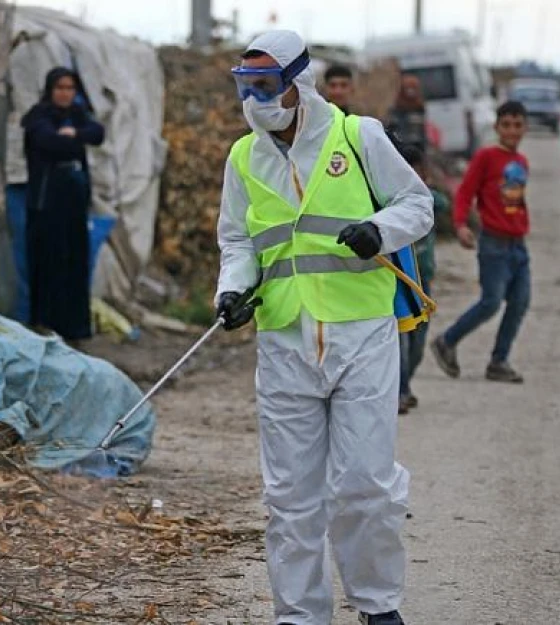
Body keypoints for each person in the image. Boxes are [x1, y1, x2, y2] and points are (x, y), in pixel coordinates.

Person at [216, 30, 433, 625]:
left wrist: (378, 232)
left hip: (361, 333)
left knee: (364, 484)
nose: (255, 98)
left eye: (265, 85)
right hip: (284, 339)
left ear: (298, 83)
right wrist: (232, 290)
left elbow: (417, 205)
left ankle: (377, 605)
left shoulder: (357, 136)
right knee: (289, 500)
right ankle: (300, 616)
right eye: (246, 85)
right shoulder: (244, 157)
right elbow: (237, 239)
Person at [431, 101, 530, 384]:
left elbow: (514, 200)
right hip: (494, 244)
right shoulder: (486, 157)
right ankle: (446, 341)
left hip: (517, 244)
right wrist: (460, 225)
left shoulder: (521, 162)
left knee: (520, 302)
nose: (512, 131)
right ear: (497, 127)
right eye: (506, 125)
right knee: (491, 301)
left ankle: (499, 361)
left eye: (518, 125)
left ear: (524, 128)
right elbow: (465, 192)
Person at [20, 67, 105, 342]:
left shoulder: (77, 116)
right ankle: (45, 325)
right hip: (46, 204)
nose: (65, 93)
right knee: (48, 264)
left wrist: (74, 134)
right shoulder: (38, 115)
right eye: (60, 88)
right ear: (50, 89)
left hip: (74, 203)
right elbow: (49, 142)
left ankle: (74, 330)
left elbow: (97, 132)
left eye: (70, 88)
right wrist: (72, 138)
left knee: (75, 262)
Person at [397, 143, 445, 414]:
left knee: (418, 342)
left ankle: (405, 386)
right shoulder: (392, 202)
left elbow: (442, 203)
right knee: (402, 339)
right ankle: (400, 391)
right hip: (400, 282)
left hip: (422, 283)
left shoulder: (427, 199)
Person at [386, 74, 429, 154]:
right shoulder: (397, 107)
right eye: (408, 88)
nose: (410, 91)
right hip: (401, 145)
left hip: (417, 145)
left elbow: (422, 129)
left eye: (412, 88)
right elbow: (391, 126)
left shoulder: (419, 107)